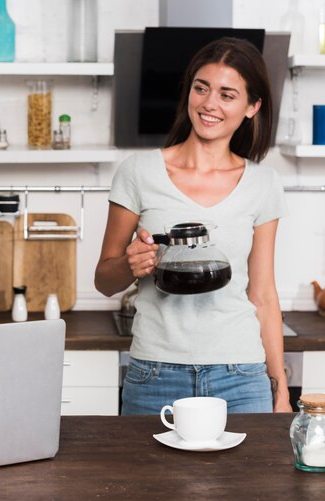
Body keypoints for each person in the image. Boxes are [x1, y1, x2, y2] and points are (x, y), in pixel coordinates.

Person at [95, 37, 292, 415]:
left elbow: (263, 295)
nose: (209, 103)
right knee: (148, 478)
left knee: (250, 478)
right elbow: (104, 281)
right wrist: (130, 264)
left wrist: (280, 390)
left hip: (242, 375)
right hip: (154, 373)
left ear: (252, 107)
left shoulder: (263, 184)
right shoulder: (138, 173)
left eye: (227, 94)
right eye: (201, 88)